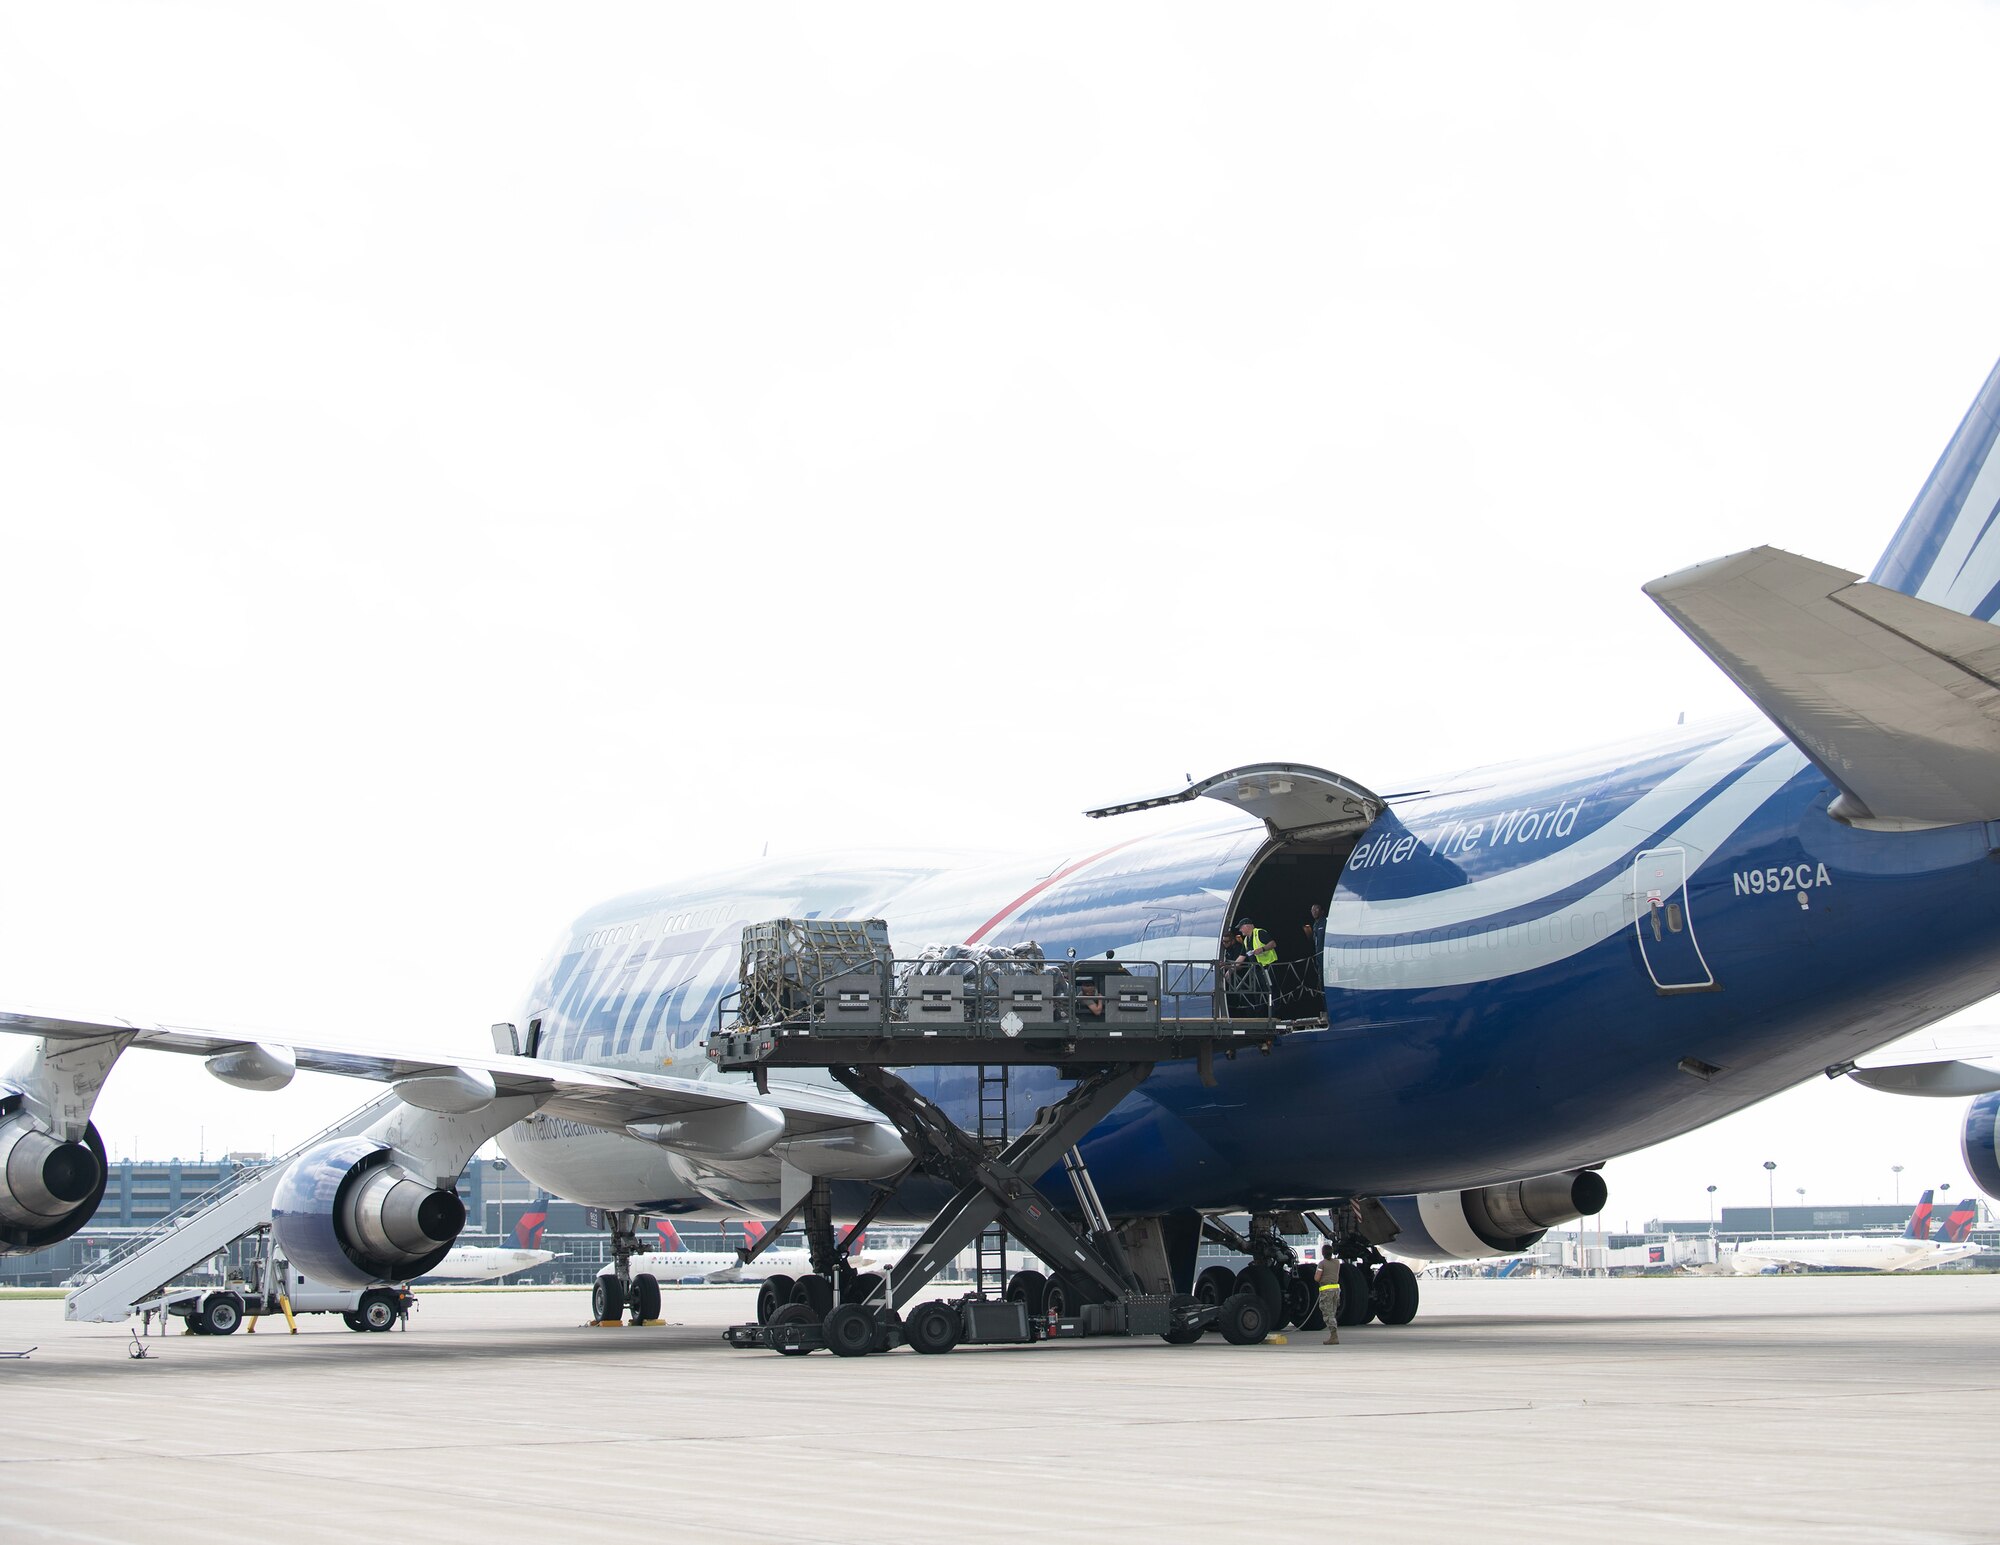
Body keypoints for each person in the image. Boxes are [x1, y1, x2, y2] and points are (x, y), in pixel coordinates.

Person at [1235, 918, 1279, 1007]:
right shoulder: (1246, 940)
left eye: (1241, 928)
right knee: (1261, 990)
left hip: (1267, 966)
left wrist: (1262, 949)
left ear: (1247, 926)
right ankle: (1266, 1011)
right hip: (1257, 970)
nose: (1240, 930)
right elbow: (1242, 956)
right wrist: (1230, 968)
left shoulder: (1259, 933)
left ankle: (1275, 1010)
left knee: (1271, 989)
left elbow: (1273, 944)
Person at [1317, 1250, 1342, 1344]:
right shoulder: (1337, 1262)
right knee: (1333, 1312)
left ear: (1323, 1253)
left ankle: (1334, 1336)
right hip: (1336, 1290)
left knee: (1328, 1314)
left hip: (1327, 1291)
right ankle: (1334, 1335)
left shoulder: (1322, 1264)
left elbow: (1317, 1278)